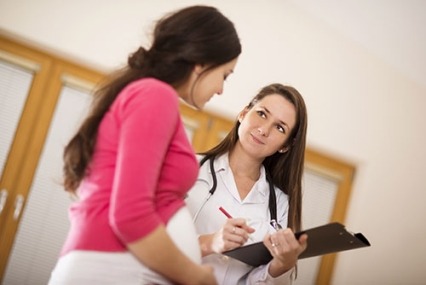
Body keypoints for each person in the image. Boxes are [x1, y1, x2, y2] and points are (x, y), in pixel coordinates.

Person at [48, 5, 241, 285]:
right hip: (112, 267)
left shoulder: (147, 94)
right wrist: (195, 277)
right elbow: (130, 215)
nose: (222, 89)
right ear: (202, 63)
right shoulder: (155, 95)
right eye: (225, 75)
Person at [185, 83, 309, 284]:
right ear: (243, 113)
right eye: (262, 114)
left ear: (285, 145)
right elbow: (151, 241)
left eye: (279, 127)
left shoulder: (280, 203)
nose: (264, 129)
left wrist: (280, 266)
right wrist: (210, 243)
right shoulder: (190, 167)